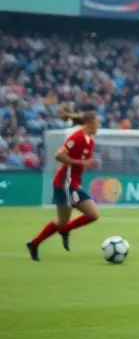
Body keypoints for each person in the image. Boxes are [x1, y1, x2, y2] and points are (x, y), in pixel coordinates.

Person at [27, 109, 102, 261]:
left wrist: (88, 165)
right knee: (92, 214)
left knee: (62, 221)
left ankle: (35, 243)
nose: (99, 125)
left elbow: (81, 163)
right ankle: (64, 230)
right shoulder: (77, 137)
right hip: (65, 184)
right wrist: (82, 162)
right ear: (89, 124)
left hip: (73, 183)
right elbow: (59, 155)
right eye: (97, 123)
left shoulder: (90, 139)